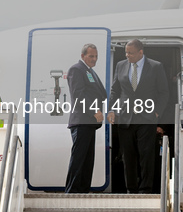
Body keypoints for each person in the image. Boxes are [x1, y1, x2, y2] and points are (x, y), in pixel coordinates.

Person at [107, 39, 169, 194]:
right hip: (126, 117)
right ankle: (131, 189)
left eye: (131, 53)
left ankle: (145, 189)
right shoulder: (121, 65)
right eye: (126, 52)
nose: (127, 55)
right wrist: (110, 109)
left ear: (141, 52)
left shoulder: (155, 66)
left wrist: (157, 112)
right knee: (128, 156)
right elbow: (115, 90)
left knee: (146, 155)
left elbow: (164, 92)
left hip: (147, 118)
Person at [65, 44, 107, 193]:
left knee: (88, 160)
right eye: (91, 56)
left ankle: (83, 191)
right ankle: (72, 192)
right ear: (83, 56)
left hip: (89, 123)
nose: (94, 59)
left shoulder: (90, 71)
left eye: (96, 56)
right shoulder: (77, 69)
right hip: (82, 121)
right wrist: (94, 111)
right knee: (79, 158)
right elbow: (78, 95)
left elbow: (101, 93)